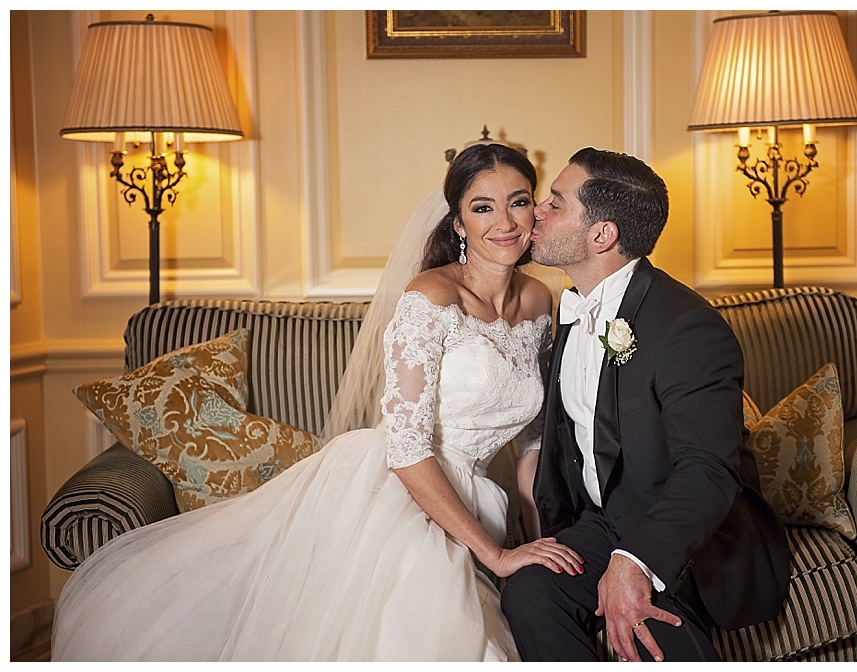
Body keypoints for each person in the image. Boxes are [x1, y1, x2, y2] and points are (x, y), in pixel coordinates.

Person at [50, 143, 584, 662]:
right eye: (482, 207)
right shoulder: (430, 297)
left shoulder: (541, 299)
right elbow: (406, 448)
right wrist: (494, 553)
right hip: (399, 490)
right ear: (457, 223)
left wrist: (537, 548)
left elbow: (530, 446)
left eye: (518, 201)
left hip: (480, 500)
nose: (506, 221)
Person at [501, 148, 791, 662]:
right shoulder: (568, 313)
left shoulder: (688, 328)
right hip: (602, 520)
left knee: (653, 638)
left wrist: (634, 559)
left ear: (602, 236)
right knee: (530, 591)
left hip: (690, 536)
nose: (536, 213)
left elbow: (708, 470)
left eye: (556, 203)